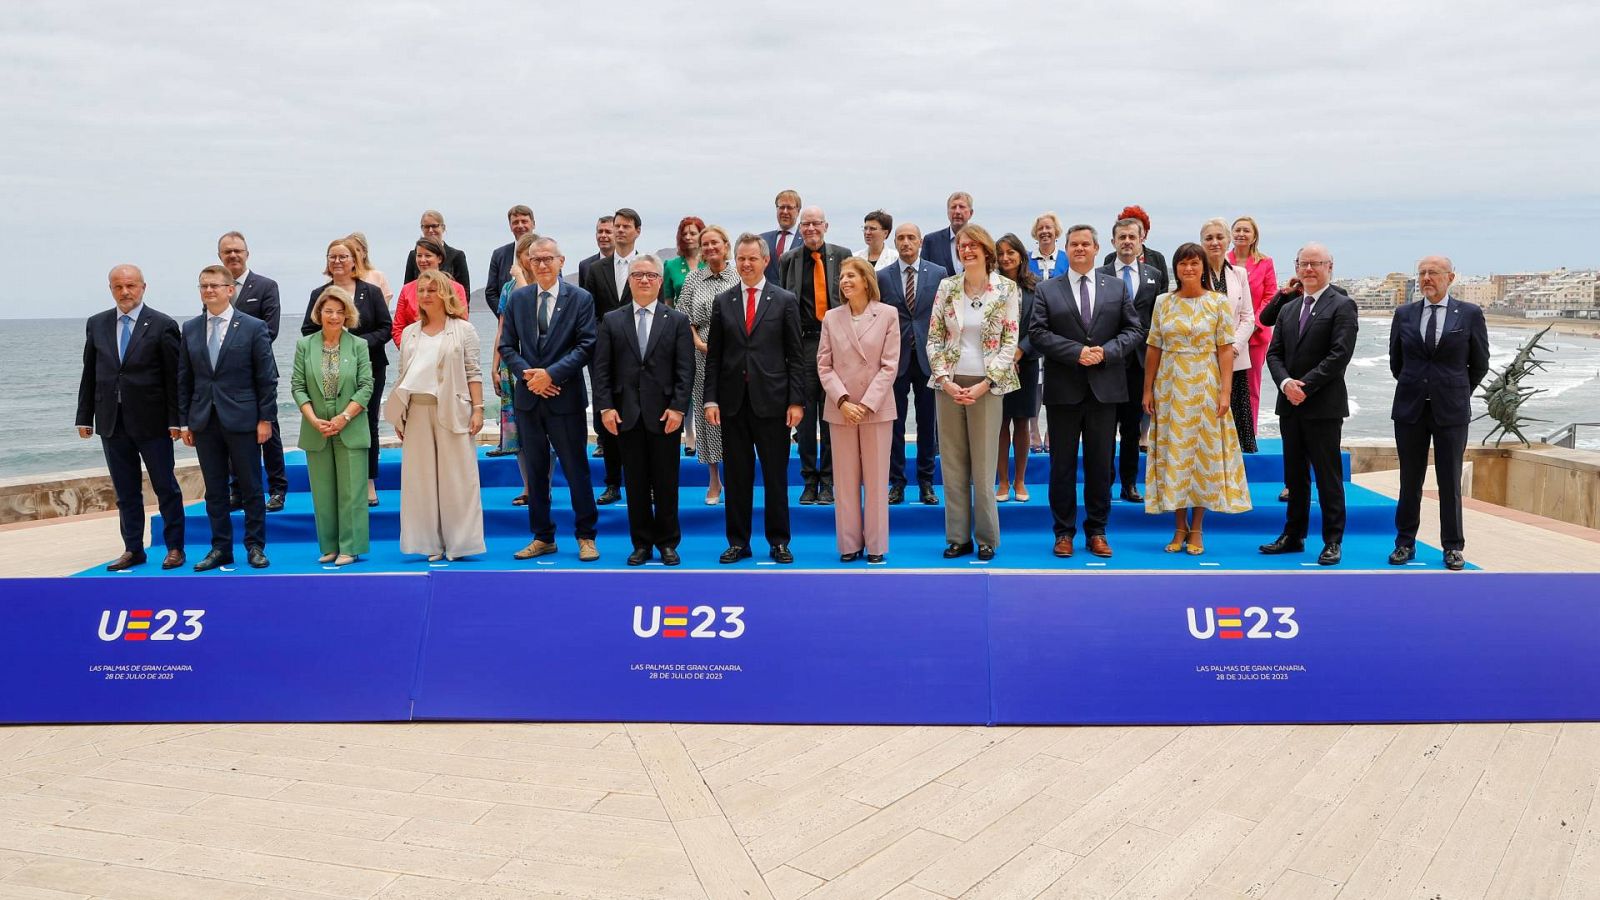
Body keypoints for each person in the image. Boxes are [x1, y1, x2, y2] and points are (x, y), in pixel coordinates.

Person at [1031, 225, 1145, 559]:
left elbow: (1134, 329)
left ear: (1097, 249)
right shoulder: (1047, 289)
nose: (1080, 248)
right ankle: (1063, 532)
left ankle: (1097, 530)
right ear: (1066, 249)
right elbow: (1037, 332)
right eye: (1074, 244)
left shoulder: (1116, 287)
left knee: (1100, 465)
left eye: (1086, 244)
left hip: (1104, 390)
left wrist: (1107, 352)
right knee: (1061, 466)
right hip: (1064, 390)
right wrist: (1075, 351)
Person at [1141, 243, 1253, 554]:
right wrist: (1147, 388)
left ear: (1203, 267)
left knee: (1202, 456)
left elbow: (1224, 349)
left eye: (1194, 263)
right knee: (1174, 453)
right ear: (1175, 269)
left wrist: (1226, 391)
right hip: (1171, 386)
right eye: (1183, 264)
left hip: (1206, 383)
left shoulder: (1217, 303)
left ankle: (1198, 529)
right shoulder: (1163, 302)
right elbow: (1154, 346)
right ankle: (1179, 527)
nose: (1189, 269)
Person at [704, 233, 805, 565]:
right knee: (737, 476)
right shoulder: (724, 301)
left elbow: (796, 356)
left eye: (752, 258)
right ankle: (738, 541)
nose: (746, 264)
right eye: (741, 259)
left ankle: (778, 541)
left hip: (773, 403)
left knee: (775, 476)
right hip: (732, 404)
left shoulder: (784, 300)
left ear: (765, 261)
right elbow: (715, 357)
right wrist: (711, 400)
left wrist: (796, 401)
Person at [75, 264, 185, 571]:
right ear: (111, 289)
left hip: (153, 422)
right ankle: (133, 549)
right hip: (112, 421)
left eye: (131, 286)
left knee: (165, 486)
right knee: (125, 491)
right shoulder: (96, 324)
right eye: (118, 287)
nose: (125, 292)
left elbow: (173, 377)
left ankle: (175, 547)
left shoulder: (162, 324)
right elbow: (90, 372)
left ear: (143, 287)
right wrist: (84, 416)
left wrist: (176, 420)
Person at [500, 237, 601, 562]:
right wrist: (531, 376)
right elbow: (506, 346)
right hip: (530, 399)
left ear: (561, 261)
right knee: (537, 470)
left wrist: (551, 375)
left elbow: (586, 344)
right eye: (536, 259)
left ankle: (586, 536)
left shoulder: (580, 299)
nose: (542, 264)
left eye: (548, 258)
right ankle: (543, 536)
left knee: (576, 470)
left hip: (565, 398)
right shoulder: (518, 299)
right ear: (528, 263)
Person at [1389, 256, 1490, 570]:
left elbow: (1480, 363)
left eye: (1433, 273)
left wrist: (1454, 390)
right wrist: (1419, 386)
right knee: (1409, 480)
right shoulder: (1404, 314)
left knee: (1449, 481)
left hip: (1451, 410)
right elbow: (1396, 362)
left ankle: (1453, 547)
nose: (1426, 278)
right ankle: (1405, 543)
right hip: (1410, 407)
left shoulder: (1470, 314)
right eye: (1422, 273)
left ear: (1450, 277)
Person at [1260, 242, 1359, 566]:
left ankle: (1332, 540)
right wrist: (1287, 383)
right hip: (1290, 404)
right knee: (1295, 475)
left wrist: (1307, 385)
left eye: (1316, 264)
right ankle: (1293, 535)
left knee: (1328, 476)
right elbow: (1274, 354)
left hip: (1323, 406)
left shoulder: (1342, 305)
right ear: (1297, 267)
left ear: (1330, 267)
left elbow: (1339, 355)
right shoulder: (1289, 308)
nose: (1309, 270)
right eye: (1304, 264)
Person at [594, 255, 696, 566]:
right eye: (638, 275)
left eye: (651, 275)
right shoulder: (612, 320)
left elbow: (685, 369)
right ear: (630, 280)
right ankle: (641, 544)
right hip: (625, 414)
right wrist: (606, 408)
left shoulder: (676, 320)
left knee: (666, 483)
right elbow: (601, 371)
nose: (644, 280)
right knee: (635, 484)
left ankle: (667, 542)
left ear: (659, 281)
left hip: (666, 415)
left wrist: (679, 409)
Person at [927, 224, 1019, 561]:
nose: (966, 250)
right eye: (962, 246)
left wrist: (985, 384)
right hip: (949, 383)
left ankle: (986, 538)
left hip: (987, 385)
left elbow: (1010, 343)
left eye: (972, 245)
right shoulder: (946, 286)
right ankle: (957, 537)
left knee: (983, 466)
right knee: (952, 464)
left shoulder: (1007, 290)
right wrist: (945, 379)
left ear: (986, 250)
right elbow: (934, 337)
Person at [179, 265, 276, 571]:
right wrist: (184, 421)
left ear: (230, 289)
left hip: (244, 419)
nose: (209, 291)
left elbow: (266, 377)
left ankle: (255, 545)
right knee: (215, 489)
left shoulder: (252, 326)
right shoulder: (191, 328)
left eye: (215, 286)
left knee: (249, 486)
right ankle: (221, 547)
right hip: (204, 420)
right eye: (203, 286)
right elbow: (185, 377)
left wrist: (266, 419)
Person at [387, 270, 487, 562]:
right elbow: (404, 374)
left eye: (432, 290)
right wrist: (399, 415)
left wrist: (478, 409)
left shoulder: (463, 329)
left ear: (445, 293)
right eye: (422, 291)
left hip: (454, 409)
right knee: (420, 481)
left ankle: (460, 544)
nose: (426, 295)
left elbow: (473, 371)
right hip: (416, 409)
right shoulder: (409, 333)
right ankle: (428, 543)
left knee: (458, 478)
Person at [819, 257, 900, 563]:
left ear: (866, 280)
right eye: (842, 277)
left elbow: (890, 365)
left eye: (851, 275)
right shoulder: (831, 318)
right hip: (841, 409)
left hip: (875, 408)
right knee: (845, 480)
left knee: (877, 481)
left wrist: (865, 404)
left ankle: (877, 546)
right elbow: (823, 365)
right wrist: (843, 400)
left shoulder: (888, 315)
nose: (845, 281)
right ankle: (849, 544)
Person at [301, 238, 391, 507]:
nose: (337, 261)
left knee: (368, 422)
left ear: (355, 260)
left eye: (343, 256)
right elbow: (308, 330)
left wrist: (355, 346)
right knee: (332, 421)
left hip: (368, 367)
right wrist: (334, 341)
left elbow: (385, 328)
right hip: (328, 370)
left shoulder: (371, 292)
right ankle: (337, 482)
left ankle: (368, 482)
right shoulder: (319, 293)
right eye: (332, 257)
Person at [290, 286, 373, 566]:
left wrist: (344, 417)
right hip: (317, 429)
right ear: (319, 313)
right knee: (323, 493)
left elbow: (366, 387)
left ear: (347, 315)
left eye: (339, 311)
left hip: (349, 426)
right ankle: (329, 547)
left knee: (352, 493)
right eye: (328, 311)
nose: (334, 316)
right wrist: (313, 419)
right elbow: (298, 387)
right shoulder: (305, 345)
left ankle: (351, 547)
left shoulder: (358, 346)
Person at [778, 205, 851, 506]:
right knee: (804, 416)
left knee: (832, 413)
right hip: (803, 343)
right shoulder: (788, 260)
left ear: (826, 226)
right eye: (805, 224)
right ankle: (809, 478)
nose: (810, 229)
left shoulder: (843, 255)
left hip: (836, 343)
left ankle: (830, 481)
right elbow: (783, 301)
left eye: (815, 224)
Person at [217, 231, 288, 511]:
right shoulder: (217, 288)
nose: (233, 255)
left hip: (259, 374)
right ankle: (237, 490)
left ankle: (278, 489)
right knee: (232, 434)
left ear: (247, 253)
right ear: (220, 256)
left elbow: (270, 330)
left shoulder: (265, 286)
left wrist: (235, 352)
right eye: (227, 252)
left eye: (237, 251)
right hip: (226, 378)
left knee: (269, 431)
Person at [878, 223, 947, 505]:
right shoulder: (883, 277)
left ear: (920, 242)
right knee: (894, 423)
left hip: (928, 358)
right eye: (901, 238)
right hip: (895, 359)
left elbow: (944, 316)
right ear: (895, 242)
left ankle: (926, 482)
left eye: (911, 238)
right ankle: (897, 482)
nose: (906, 242)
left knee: (927, 422)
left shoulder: (939, 274)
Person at [580, 207, 643, 506]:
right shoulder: (596, 270)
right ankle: (612, 483)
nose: (619, 231)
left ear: (637, 231)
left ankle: (645, 482)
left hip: (640, 355)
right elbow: (588, 313)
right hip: (604, 355)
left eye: (626, 226)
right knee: (609, 418)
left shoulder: (646, 267)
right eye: (617, 226)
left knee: (640, 419)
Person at [1101, 217, 1164, 502]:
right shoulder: (1099, 274)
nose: (1127, 241)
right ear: (1113, 241)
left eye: (1132, 237)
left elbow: (1159, 317)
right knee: (1103, 428)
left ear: (1141, 242)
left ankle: (1129, 484)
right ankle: (1103, 483)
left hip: (1140, 361)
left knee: (1132, 427)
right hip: (1108, 361)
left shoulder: (1153, 275)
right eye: (1121, 237)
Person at [681, 225, 739, 505]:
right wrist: (699, 343)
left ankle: (738, 479)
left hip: (737, 356)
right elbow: (682, 319)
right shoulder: (693, 279)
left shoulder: (739, 275)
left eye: (715, 243)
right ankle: (714, 480)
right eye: (705, 244)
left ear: (726, 245)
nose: (710, 248)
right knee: (708, 419)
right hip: (702, 355)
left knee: (735, 417)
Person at [1200, 218, 1258, 453]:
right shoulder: (1195, 271)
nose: (1215, 243)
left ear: (1228, 240)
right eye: (1209, 238)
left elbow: (1248, 317)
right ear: (1202, 242)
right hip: (1204, 356)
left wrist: (1232, 347)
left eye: (1219, 237)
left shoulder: (1239, 274)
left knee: (1235, 410)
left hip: (1234, 356)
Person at [995, 233, 1040, 503]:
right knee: (1000, 422)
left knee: (1022, 422)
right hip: (997, 364)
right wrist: (1003, 357)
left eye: (1011, 252)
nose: (1005, 258)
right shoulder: (991, 286)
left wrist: (1020, 351)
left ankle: (1020, 480)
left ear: (1021, 256)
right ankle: (1002, 481)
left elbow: (1038, 325)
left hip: (1027, 362)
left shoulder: (1036, 287)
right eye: (1000, 253)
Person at [1228, 216, 1277, 433]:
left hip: (1256, 335)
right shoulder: (1222, 260)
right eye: (1237, 230)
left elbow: (1270, 296)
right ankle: (1226, 433)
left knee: (1251, 387)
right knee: (1225, 386)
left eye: (1246, 230)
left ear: (1254, 236)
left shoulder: (1265, 263)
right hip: (1225, 335)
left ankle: (1249, 432)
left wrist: (1254, 324)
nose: (1241, 234)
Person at [393, 237, 470, 344]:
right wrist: (409, 349)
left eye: (428, 255)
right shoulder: (407, 290)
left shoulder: (456, 288)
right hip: (414, 353)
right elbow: (398, 327)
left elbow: (462, 322)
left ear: (439, 258)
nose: (422, 260)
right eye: (419, 256)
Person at [1101, 205, 1170, 291]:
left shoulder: (1157, 258)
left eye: (1138, 228)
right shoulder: (1110, 258)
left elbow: (1163, 290)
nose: (1127, 241)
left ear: (1144, 232)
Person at [403, 209, 470, 296]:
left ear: (443, 227)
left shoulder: (457, 256)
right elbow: (407, 289)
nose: (430, 230)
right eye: (426, 227)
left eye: (434, 226)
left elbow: (465, 292)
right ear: (422, 228)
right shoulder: (413, 255)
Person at [485, 204, 536, 318]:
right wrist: (507, 317)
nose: (520, 225)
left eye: (524, 221)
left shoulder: (547, 251)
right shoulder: (499, 254)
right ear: (510, 226)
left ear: (533, 224)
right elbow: (491, 292)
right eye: (515, 222)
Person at [922, 191, 973, 275]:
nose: (957, 211)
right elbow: (924, 274)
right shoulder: (931, 241)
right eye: (953, 207)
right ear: (947, 212)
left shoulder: (980, 242)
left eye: (962, 207)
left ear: (971, 213)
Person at [760, 189, 802, 283]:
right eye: (782, 207)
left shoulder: (805, 241)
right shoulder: (762, 240)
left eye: (789, 208)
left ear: (798, 211)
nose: (785, 211)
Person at [662, 216, 706, 305]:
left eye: (693, 234)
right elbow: (667, 301)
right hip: (680, 317)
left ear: (702, 236)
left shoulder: (711, 264)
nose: (687, 237)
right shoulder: (670, 265)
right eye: (684, 234)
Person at [344, 232, 393, 303]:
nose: (354, 254)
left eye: (357, 250)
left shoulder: (378, 277)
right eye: (350, 250)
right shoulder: (337, 278)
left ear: (364, 253)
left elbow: (384, 310)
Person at [1028, 212, 1068, 280]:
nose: (1044, 231)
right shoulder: (1025, 260)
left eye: (1048, 227)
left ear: (1056, 231)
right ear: (1035, 233)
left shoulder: (1067, 259)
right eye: (1040, 228)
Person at [577, 215, 614, 285]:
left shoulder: (627, 264)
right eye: (600, 232)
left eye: (608, 232)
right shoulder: (585, 265)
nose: (603, 235)